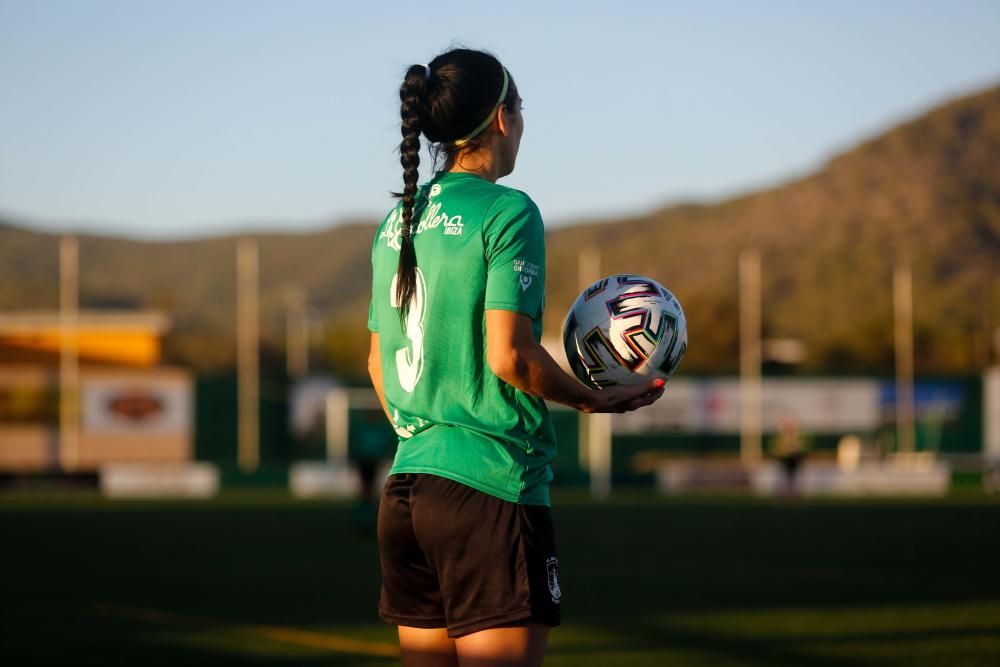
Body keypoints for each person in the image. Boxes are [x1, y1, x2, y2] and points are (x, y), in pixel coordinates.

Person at [367, 48, 665, 667]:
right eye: (522, 109)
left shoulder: (396, 221)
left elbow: (376, 364)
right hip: (489, 489)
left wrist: (428, 437)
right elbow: (509, 356)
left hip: (406, 492)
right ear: (503, 118)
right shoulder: (508, 212)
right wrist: (593, 398)